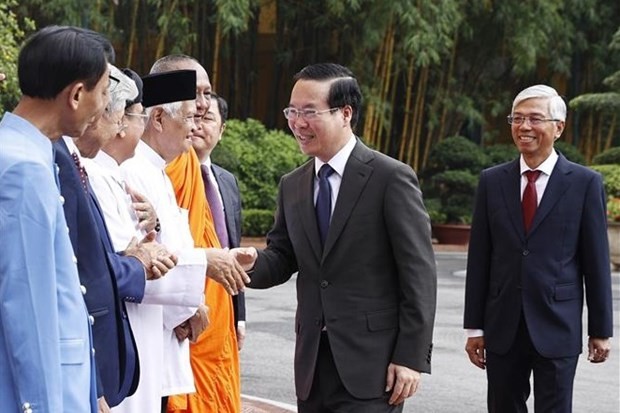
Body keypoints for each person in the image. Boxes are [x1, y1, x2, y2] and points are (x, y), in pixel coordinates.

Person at [234, 62, 437, 412]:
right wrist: (247, 263)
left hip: (373, 369)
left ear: (345, 113)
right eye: (292, 111)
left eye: (309, 112)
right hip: (313, 366)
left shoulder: (390, 178)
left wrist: (411, 357)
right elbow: (283, 256)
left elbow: (418, 275)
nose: (298, 123)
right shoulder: (293, 184)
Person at [463, 84, 613, 413]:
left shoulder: (584, 183)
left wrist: (600, 330)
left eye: (534, 119)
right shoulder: (492, 181)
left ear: (558, 127)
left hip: (557, 324)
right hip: (503, 325)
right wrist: (475, 327)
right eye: (517, 118)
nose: (524, 127)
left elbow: (596, 263)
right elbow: (480, 260)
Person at [120, 68, 249, 413]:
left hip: (165, 332)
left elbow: (173, 243)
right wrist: (200, 279)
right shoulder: (131, 172)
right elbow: (134, 261)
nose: (194, 127)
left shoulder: (160, 171)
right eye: (191, 117)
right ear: (158, 118)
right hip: (144, 332)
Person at [54, 64, 178, 411]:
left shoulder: (86, 165)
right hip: (89, 348)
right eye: (118, 111)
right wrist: (139, 262)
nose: (121, 123)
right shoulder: (65, 165)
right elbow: (82, 272)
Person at [0, 25, 111, 413]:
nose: (104, 108)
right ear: (77, 94)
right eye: (104, 93)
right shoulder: (22, 169)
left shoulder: (25, 152)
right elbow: (29, 305)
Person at [198, 93, 247, 350]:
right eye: (193, 117)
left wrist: (240, 315)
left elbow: (232, 249)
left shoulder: (227, 181)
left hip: (224, 308)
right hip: (190, 308)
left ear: (222, 130)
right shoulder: (167, 176)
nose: (197, 125)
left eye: (206, 118)